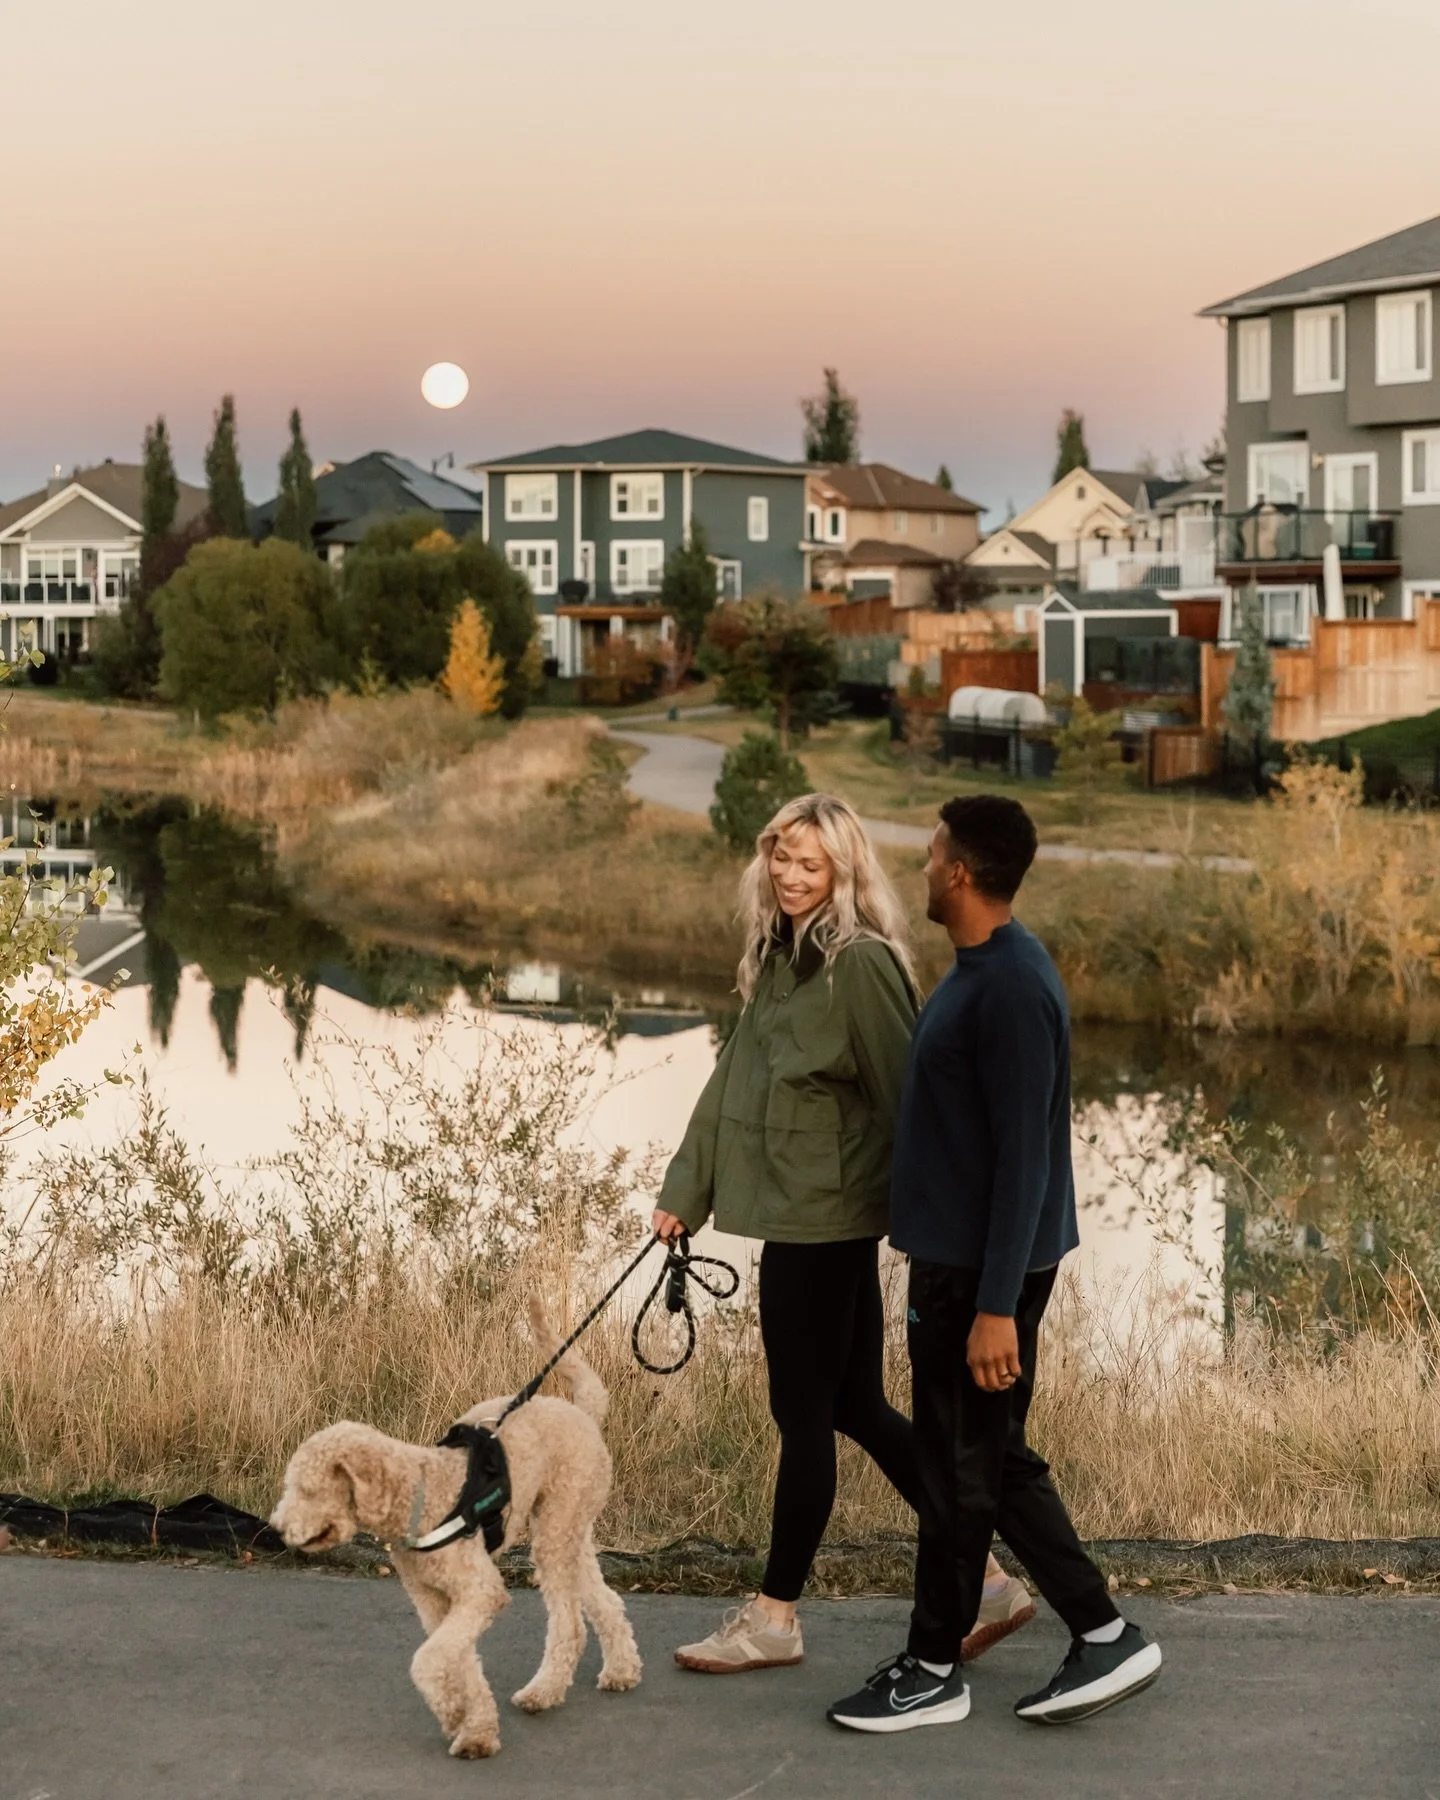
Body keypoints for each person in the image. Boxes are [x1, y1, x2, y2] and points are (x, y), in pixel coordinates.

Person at [653, 793, 1031, 1676]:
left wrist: (948, 1235)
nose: (791, 876)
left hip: (824, 1222)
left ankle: (775, 1617)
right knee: (855, 1407)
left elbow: (914, 1103)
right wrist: (686, 1188)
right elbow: (732, 1082)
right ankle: (985, 1579)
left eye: (811, 864)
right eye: (781, 857)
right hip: (796, 1211)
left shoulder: (858, 965)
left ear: (844, 872)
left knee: (802, 1418)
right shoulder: (779, 957)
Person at [828, 795, 1162, 1733]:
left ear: (961, 872)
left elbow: (1026, 1161)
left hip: (977, 1277)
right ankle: (1103, 1633)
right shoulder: (988, 968)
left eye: (932, 852)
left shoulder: (1011, 987)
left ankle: (934, 1668)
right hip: (968, 1267)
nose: (922, 867)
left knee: (954, 1467)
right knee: (988, 1456)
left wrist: (995, 1307)